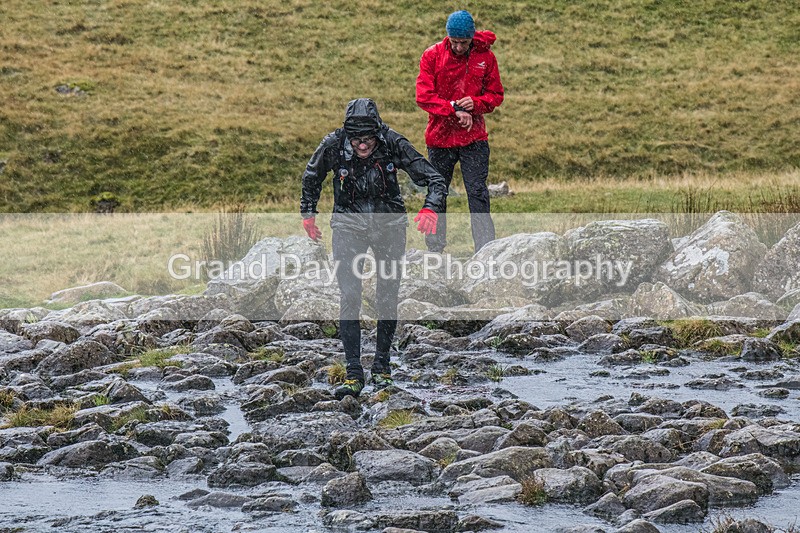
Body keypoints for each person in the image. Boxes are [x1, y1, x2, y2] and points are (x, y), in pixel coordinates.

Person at [300, 98, 447, 399]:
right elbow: (311, 176)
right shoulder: (333, 144)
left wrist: (430, 208)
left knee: (387, 295)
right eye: (356, 139)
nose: (363, 145)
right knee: (350, 295)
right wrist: (308, 214)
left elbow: (435, 179)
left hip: (390, 225)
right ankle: (354, 372)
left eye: (368, 138)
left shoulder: (392, 142)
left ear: (377, 133)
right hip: (347, 226)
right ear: (348, 134)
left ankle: (382, 367)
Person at [416, 9, 505, 254]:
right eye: (454, 41)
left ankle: (485, 249)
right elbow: (423, 96)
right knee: (438, 192)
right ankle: (435, 250)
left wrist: (476, 104)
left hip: (474, 139)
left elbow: (496, 95)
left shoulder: (486, 57)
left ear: (471, 38)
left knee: (477, 192)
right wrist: (454, 108)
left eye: (463, 42)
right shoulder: (432, 55)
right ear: (448, 36)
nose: (458, 47)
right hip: (440, 138)